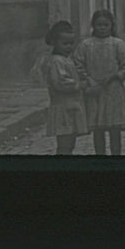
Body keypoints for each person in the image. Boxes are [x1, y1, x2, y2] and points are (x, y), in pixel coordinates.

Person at [73, 9, 125, 156]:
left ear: (111, 26)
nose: (102, 28)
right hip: (95, 91)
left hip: (114, 90)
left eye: (106, 25)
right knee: (98, 127)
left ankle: (116, 154)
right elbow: (78, 64)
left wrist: (117, 76)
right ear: (93, 25)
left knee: (114, 127)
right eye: (99, 24)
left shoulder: (117, 44)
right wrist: (88, 79)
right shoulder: (86, 45)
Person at [42, 20, 88, 156]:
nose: (69, 47)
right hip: (63, 108)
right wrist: (79, 85)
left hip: (70, 107)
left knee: (70, 142)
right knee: (64, 143)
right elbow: (61, 82)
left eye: (71, 43)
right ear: (55, 42)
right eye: (65, 44)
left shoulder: (66, 59)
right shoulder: (56, 61)